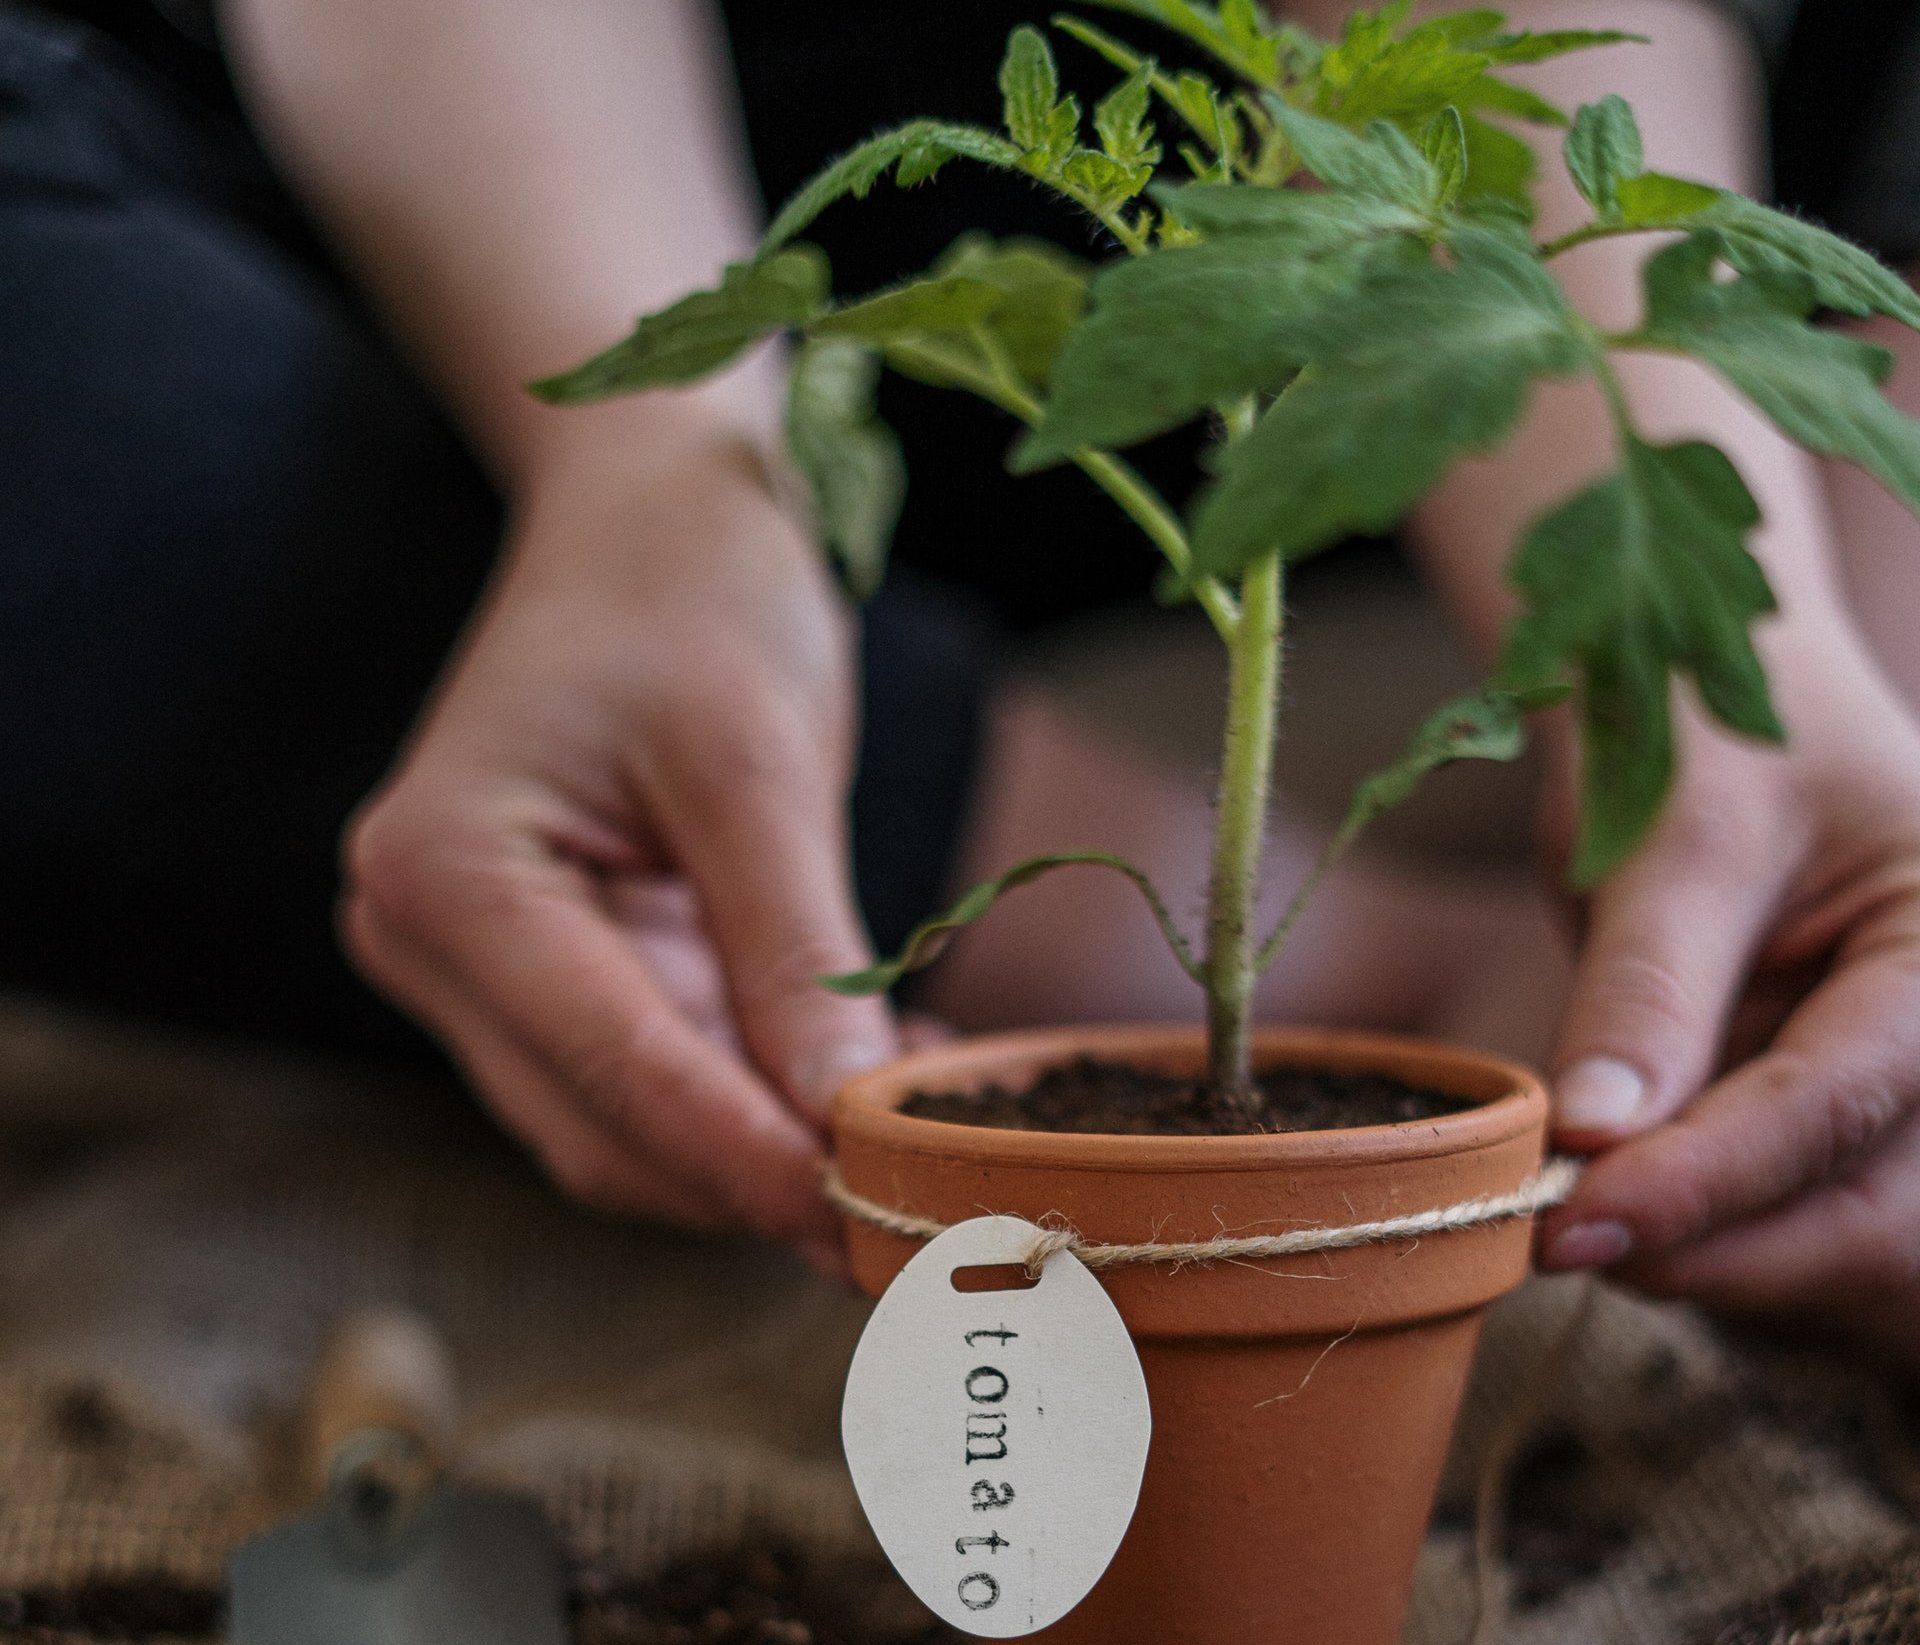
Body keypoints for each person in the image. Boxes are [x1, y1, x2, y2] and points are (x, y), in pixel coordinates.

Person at [2, 0, 1916, 1358]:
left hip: (1471, 221)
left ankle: (1809, 862)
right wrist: (659, 470)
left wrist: (1704, 659)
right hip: (535, 242)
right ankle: (1425, 984)